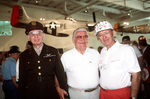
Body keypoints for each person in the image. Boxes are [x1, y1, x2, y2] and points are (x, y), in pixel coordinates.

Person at [18, 21, 68, 99]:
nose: (36, 37)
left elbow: (60, 74)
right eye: (32, 34)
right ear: (28, 37)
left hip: (51, 92)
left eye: (39, 33)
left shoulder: (53, 52)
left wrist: (64, 92)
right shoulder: (24, 56)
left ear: (43, 36)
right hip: (31, 93)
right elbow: (22, 79)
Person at [95, 21, 141, 99]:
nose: (104, 37)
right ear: (98, 38)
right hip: (103, 94)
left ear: (113, 33)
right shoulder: (103, 51)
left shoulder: (126, 49)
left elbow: (136, 75)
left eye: (106, 32)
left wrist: (133, 97)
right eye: (100, 35)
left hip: (120, 94)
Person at [61, 28, 100, 99]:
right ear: (73, 40)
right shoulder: (66, 56)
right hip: (75, 94)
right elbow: (58, 75)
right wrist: (58, 88)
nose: (83, 39)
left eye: (85, 36)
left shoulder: (95, 53)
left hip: (96, 93)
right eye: (79, 37)